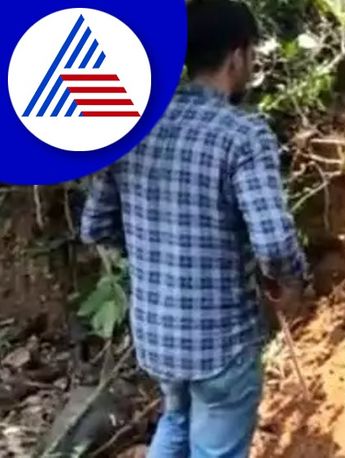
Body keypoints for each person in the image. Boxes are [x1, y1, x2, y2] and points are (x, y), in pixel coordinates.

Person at [79, 1, 309, 456]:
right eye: (253, 55)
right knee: (213, 443)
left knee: (178, 416)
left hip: (157, 333)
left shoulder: (136, 126)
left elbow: (95, 225)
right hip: (219, 339)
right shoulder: (242, 134)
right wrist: (292, 283)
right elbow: (274, 243)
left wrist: (156, 249)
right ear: (237, 57)